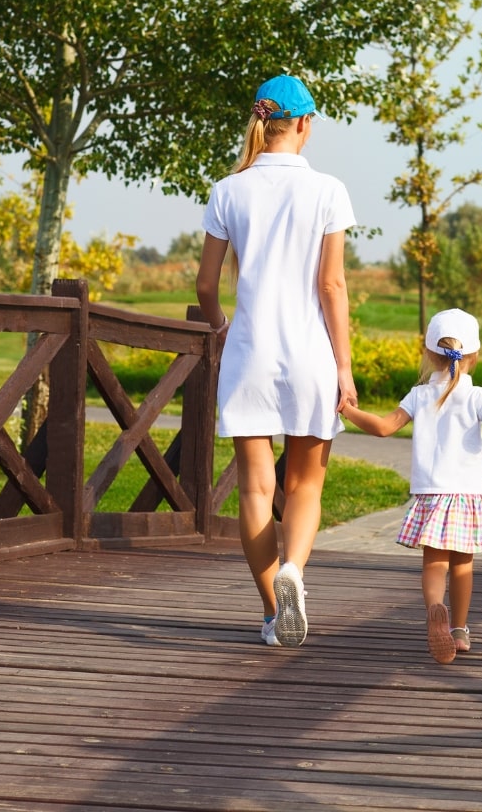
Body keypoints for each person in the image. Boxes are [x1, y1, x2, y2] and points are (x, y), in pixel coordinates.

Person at [196, 74, 356, 648]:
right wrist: (344, 367)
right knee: (305, 485)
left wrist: (221, 326)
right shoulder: (328, 190)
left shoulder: (228, 190)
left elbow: (206, 284)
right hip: (311, 353)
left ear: (263, 122)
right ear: (306, 125)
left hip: (250, 354)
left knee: (255, 490)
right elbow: (331, 284)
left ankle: (271, 613)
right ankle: (295, 572)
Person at [340, 309, 482, 664]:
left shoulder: (419, 394)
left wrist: (347, 410)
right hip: (468, 495)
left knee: (434, 564)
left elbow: (383, 428)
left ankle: (437, 609)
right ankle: (460, 630)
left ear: (429, 354)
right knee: (463, 566)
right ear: (473, 356)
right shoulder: (477, 395)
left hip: (433, 495)